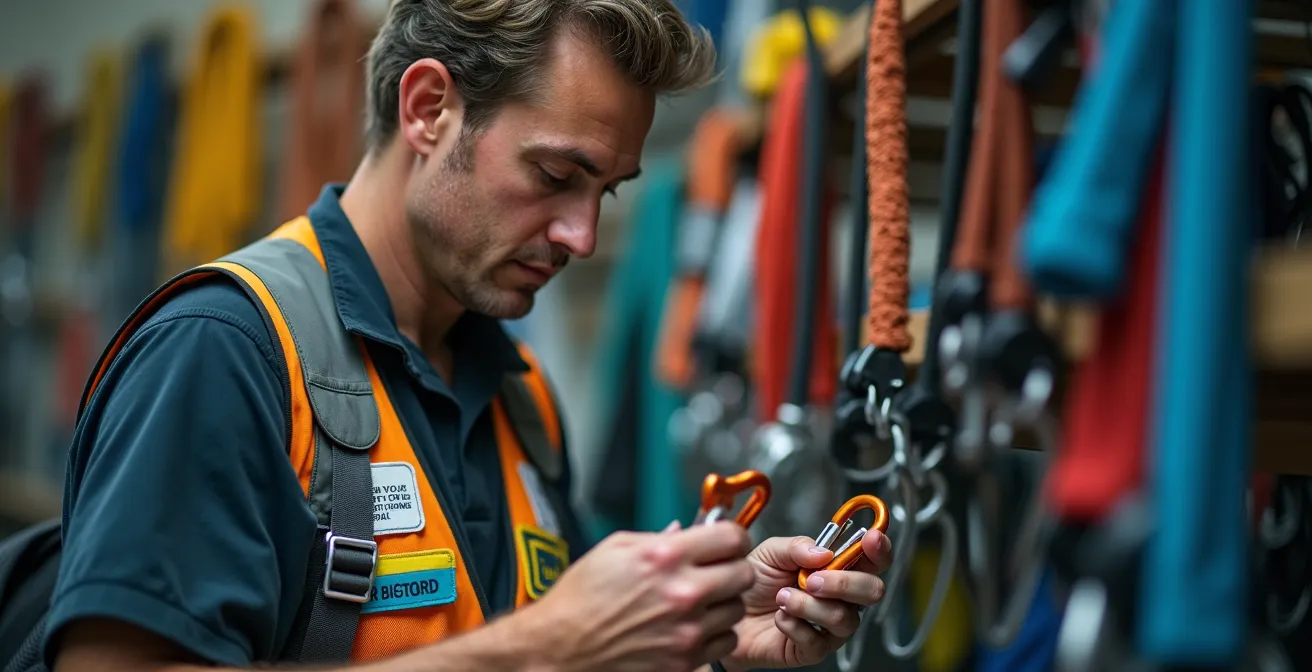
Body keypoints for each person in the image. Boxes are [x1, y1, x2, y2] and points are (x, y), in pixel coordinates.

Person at [46, 1, 894, 671]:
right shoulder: (224, 351)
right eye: (556, 175)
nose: (582, 236)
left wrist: (694, 635)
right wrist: (545, 650)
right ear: (428, 109)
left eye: (607, 191)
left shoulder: (519, 394)